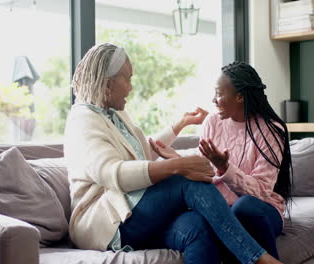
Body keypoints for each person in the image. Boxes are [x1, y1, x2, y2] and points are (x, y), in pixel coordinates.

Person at [64, 43, 282, 264]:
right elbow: (113, 173)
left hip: (134, 213)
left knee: (198, 226)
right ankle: (258, 258)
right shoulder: (83, 120)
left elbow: (143, 153)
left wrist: (180, 125)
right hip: (107, 221)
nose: (130, 87)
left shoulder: (117, 116)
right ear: (108, 81)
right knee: (187, 181)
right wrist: (178, 166)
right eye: (127, 79)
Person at [199, 61, 293, 261]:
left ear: (239, 96)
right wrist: (176, 162)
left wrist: (224, 167)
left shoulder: (270, 130)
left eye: (218, 93)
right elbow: (202, 173)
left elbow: (261, 191)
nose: (213, 100)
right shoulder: (212, 123)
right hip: (222, 210)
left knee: (244, 208)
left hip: (261, 209)